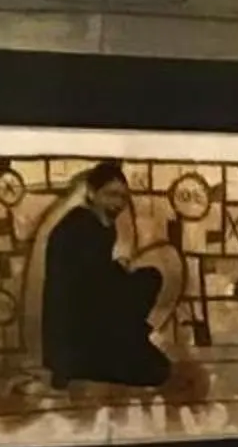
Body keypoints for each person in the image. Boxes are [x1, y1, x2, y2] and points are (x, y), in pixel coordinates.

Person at [39, 163, 172, 389]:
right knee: (157, 370)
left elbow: (96, 277)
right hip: (79, 334)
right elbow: (88, 289)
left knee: (148, 277)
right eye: (111, 195)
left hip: (94, 322)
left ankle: (117, 348)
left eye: (123, 197)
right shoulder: (78, 226)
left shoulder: (99, 224)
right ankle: (77, 367)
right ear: (92, 193)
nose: (118, 203)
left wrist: (117, 270)